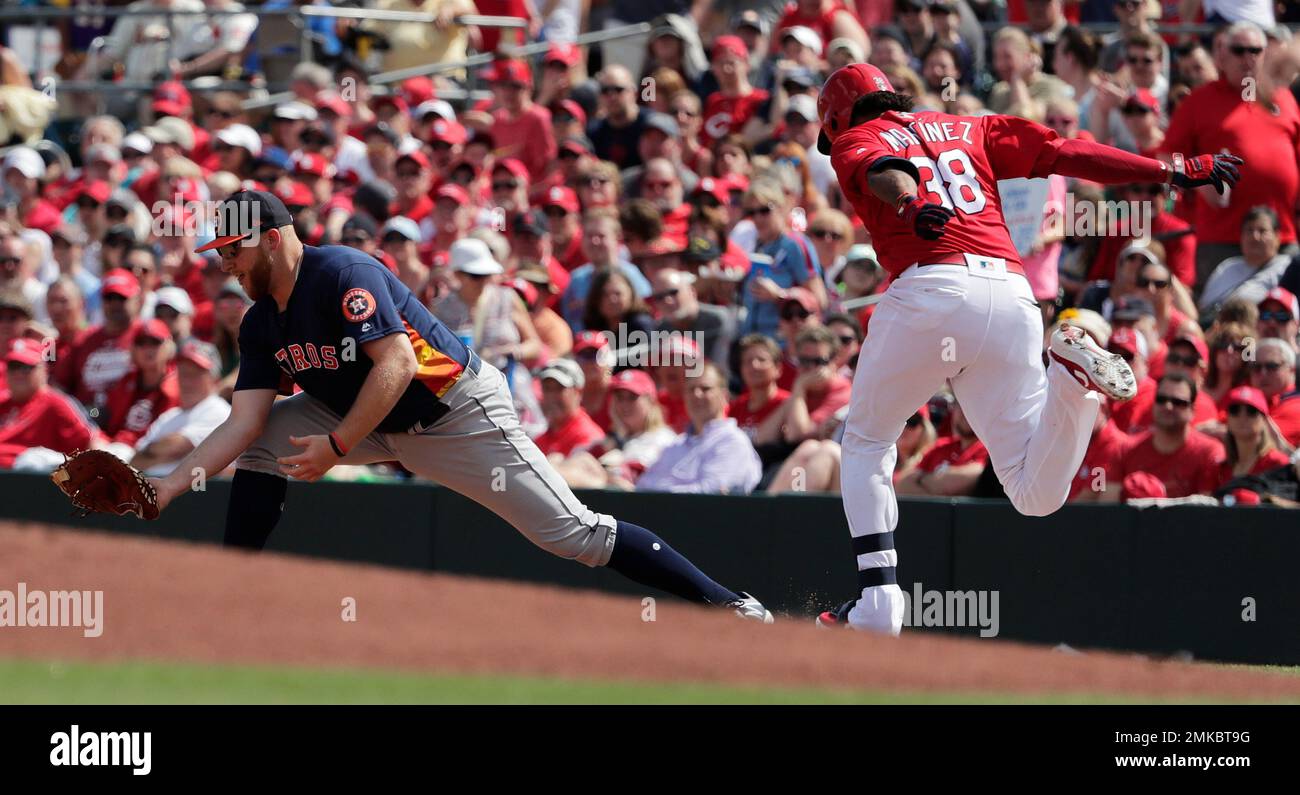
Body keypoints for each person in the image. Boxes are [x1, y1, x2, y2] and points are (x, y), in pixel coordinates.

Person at [142, 191, 772, 622]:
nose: (225, 261)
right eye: (220, 251)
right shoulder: (258, 323)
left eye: (233, 248)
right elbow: (247, 420)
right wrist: (168, 487)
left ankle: (731, 606)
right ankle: (230, 590)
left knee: (574, 535)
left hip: (453, 412)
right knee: (262, 446)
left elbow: (397, 364)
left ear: (273, 239)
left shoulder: (340, 272)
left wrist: (336, 449)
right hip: (358, 415)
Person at [811, 62, 1240, 634]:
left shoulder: (854, 138)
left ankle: (879, 599)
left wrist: (912, 206)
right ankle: (1069, 376)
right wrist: (1169, 170)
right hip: (1013, 297)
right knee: (1035, 494)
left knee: (865, 441)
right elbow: (1069, 152)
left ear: (837, 117)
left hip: (931, 287)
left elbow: (886, 170)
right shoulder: (970, 126)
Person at [638, 362, 763, 494]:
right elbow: (643, 486)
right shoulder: (675, 445)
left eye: (705, 388)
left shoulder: (732, 442)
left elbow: (709, 494)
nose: (697, 394)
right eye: (690, 389)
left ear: (724, 396)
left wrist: (660, 491)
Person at [1109, 373, 1226, 500]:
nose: (1168, 406)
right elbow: (1109, 508)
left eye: (1178, 402)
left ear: (1192, 410)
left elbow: (1207, 512)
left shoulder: (1209, 452)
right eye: (1161, 399)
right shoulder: (1125, 450)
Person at [127, 340, 232, 476]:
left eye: (194, 375)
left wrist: (156, 453)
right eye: (183, 373)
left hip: (200, 492)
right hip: (158, 490)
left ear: (214, 379)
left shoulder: (218, 409)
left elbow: (175, 448)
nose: (186, 381)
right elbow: (135, 461)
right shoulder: (168, 416)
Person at [0, 340, 101, 470]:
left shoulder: (55, 403)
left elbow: (89, 443)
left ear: (43, 370)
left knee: (31, 460)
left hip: (27, 480)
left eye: (26, 368)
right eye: (13, 367)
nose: (18, 374)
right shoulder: (2, 402)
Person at [1218, 386, 1292, 487]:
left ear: (1264, 420)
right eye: (1234, 410)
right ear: (1227, 419)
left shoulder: (1277, 463)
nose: (1242, 417)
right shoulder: (1222, 468)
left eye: (1251, 411)